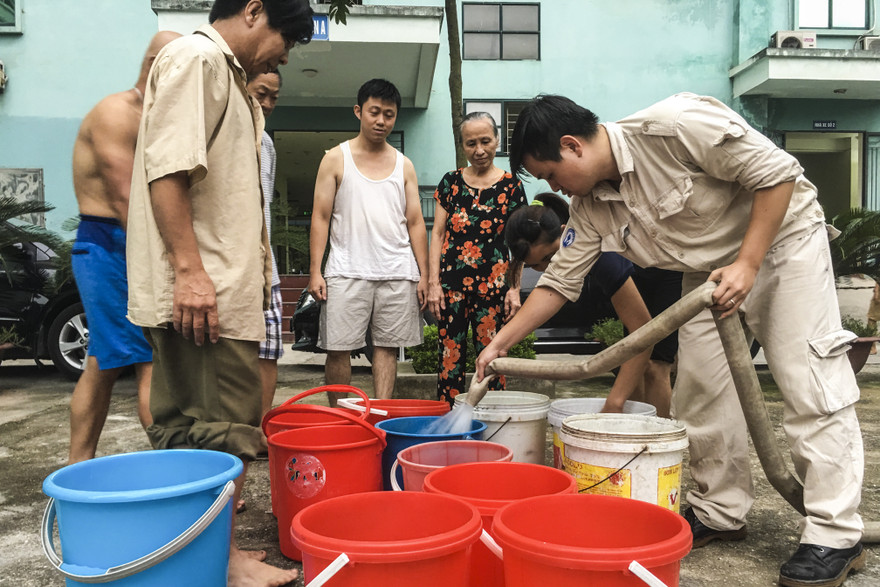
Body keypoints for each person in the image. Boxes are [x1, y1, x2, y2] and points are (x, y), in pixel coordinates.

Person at [476, 92, 866, 587]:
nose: (554, 188)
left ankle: (835, 532)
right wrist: (499, 345)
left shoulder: (676, 125)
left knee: (808, 383)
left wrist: (748, 262)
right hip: (703, 273)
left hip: (782, 244)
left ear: (572, 146)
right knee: (700, 391)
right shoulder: (590, 206)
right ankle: (721, 510)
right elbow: (558, 282)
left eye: (550, 174)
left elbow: (777, 173)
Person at [125, 1, 312, 585]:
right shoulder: (200, 58)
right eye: (285, 39)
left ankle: (198, 555)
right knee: (225, 429)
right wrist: (190, 271)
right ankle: (222, 564)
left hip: (209, 287)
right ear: (255, 10)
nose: (283, 55)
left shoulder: (222, 73)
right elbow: (168, 171)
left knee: (186, 427)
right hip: (207, 291)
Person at [67, 31, 181, 465]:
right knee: (149, 360)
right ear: (157, 65)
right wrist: (175, 263)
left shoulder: (155, 119)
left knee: (103, 363)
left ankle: (77, 469)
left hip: (127, 245)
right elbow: (126, 201)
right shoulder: (117, 114)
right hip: (110, 244)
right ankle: (177, 473)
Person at [308, 78, 429, 406]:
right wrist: (315, 272)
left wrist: (424, 275)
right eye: (375, 112)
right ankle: (341, 418)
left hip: (397, 271)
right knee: (338, 348)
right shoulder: (335, 158)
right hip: (345, 270)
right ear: (359, 111)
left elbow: (416, 222)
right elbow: (320, 217)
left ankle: (380, 414)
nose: (381, 121)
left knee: (387, 348)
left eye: (389, 115)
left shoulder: (404, 165)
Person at [505, 192, 681, 417]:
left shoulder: (597, 253)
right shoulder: (572, 258)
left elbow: (643, 332)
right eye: (535, 265)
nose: (546, 267)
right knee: (633, 364)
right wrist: (499, 346)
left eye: (549, 257)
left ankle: (657, 440)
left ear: (564, 232)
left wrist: (614, 403)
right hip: (636, 277)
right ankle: (633, 436)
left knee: (656, 366)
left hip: (664, 271)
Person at [427, 111, 528, 405]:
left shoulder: (511, 187)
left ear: (497, 140)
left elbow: (519, 243)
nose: (479, 150)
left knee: (492, 358)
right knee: (449, 361)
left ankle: (493, 422)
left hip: (494, 287)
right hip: (451, 289)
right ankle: (450, 426)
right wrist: (434, 284)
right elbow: (437, 234)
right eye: (471, 143)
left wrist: (514, 289)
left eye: (486, 141)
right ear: (463, 145)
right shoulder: (450, 182)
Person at [247, 69, 283, 432]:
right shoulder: (220, 134)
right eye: (262, 94)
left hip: (265, 268)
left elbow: (263, 208)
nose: (268, 103)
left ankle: (258, 428)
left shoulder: (268, 145)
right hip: (230, 269)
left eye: (274, 97)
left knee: (269, 350)